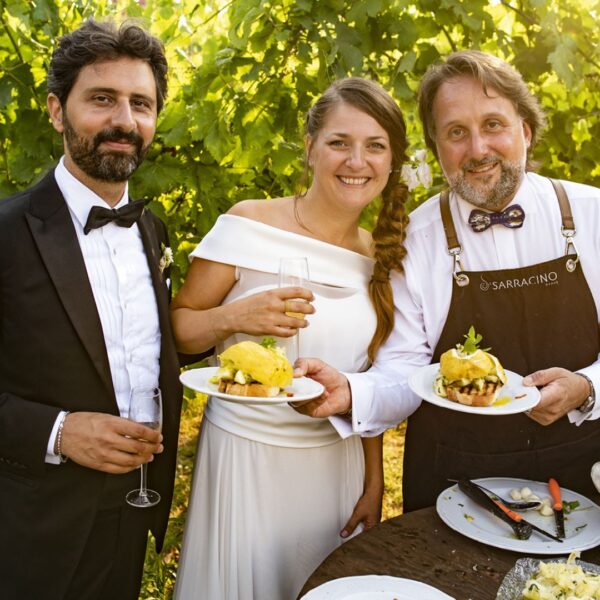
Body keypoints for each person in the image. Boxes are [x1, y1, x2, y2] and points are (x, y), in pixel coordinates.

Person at [293, 50, 600, 512]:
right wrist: (350, 392)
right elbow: (404, 371)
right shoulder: (412, 240)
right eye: (457, 133)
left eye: (493, 124)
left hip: (585, 474)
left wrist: (588, 386)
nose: (477, 150)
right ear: (437, 147)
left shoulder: (593, 215)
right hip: (457, 485)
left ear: (526, 130)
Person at [170, 77, 410, 599]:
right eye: (339, 142)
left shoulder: (382, 256)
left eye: (375, 146)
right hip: (246, 456)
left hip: (335, 465)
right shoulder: (247, 224)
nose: (356, 161)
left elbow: (371, 379)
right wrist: (234, 316)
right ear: (309, 148)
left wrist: (374, 481)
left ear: (392, 162)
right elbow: (182, 326)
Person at [0, 20, 182, 600]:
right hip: (34, 524)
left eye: (141, 104)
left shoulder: (154, 230)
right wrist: (58, 432)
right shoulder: (5, 233)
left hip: (136, 503)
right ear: (57, 110)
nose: (124, 121)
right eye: (101, 99)